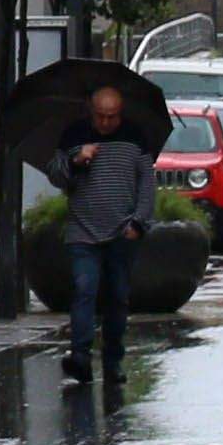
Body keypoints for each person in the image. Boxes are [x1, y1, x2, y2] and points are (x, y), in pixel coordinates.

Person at [58, 104, 156, 406]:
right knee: (84, 288)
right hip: (82, 231)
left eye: (111, 116)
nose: (105, 122)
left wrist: (139, 222)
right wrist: (76, 161)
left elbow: (147, 182)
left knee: (117, 296)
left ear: (120, 114)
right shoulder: (74, 135)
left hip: (121, 232)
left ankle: (113, 360)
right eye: (100, 116)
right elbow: (57, 176)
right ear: (92, 113)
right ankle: (80, 356)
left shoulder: (135, 137)